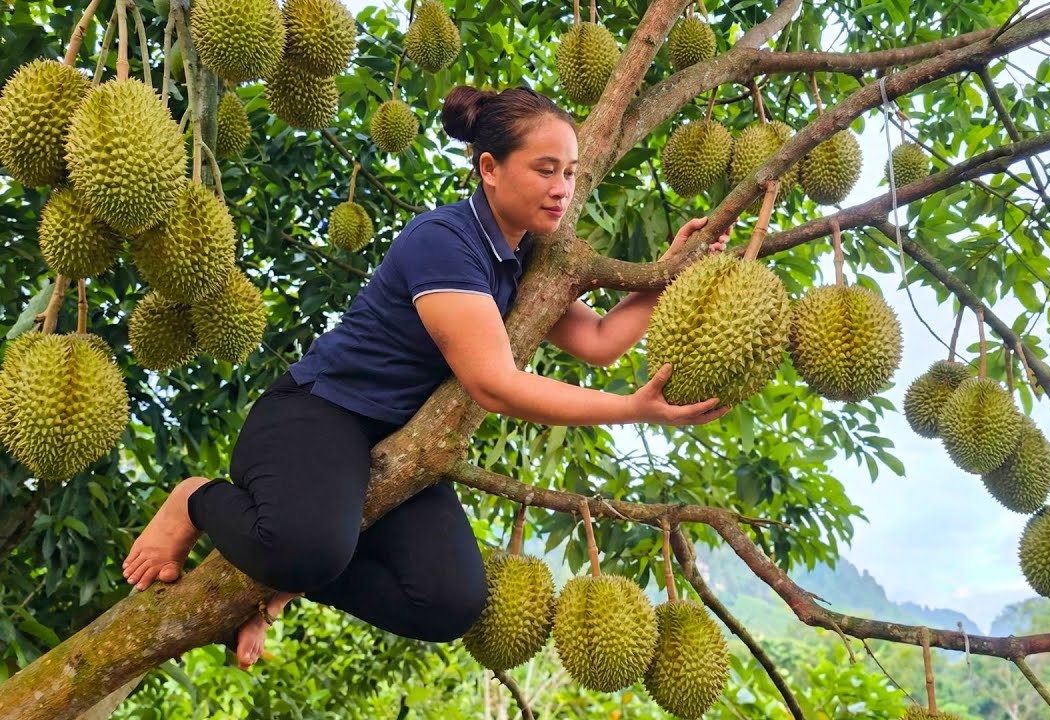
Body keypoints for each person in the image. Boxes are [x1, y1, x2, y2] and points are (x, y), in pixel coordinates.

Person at [122, 84, 732, 670]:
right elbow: (493, 384)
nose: (562, 189)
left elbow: (598, 342)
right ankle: (196, 500)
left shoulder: (522, 256)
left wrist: (669, 273)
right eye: (545, 170)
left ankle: (283, 579)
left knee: (447, 604)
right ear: (490, 168)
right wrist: (633, 408)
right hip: (320, 414)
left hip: (394, 441)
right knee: (302, 549)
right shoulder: (444, 242)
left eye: (570, 173)